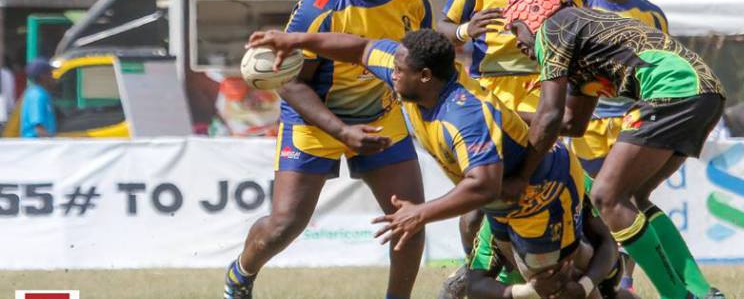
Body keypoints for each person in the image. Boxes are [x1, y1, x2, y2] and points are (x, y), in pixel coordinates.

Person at [247, 29, 600, 299]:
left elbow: (484, 185)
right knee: (519, 284)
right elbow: (359, 48)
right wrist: (294, 39)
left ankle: (602, 274)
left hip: (541, 192)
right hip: (503, 198)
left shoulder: (463, 115)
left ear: (426, 76)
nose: (391, 75)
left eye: (400, 71)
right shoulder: (413, 74)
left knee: (558, 286)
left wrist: (419, 213)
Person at [224, 0, 433, 299]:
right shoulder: (318, 8)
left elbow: (422, 66)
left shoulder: (414, 1)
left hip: (379, 117)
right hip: (314, 119)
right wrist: (341, 131)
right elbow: (290, 85)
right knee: (285, 224)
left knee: (410, 221)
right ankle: (241, 272)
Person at [505, 0, 726, 299]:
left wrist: (521, 176)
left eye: (516, 30)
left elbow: (550, 116)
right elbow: (572, 122)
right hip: (703, 92)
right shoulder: (580, 32)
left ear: (530, 17)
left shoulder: (552, 29)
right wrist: (511, 116)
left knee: (607, 195)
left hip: (674, 89)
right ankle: (703, 293)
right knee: (633, 198)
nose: (518, 43)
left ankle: (679, 296)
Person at [437, 0, 586, 293]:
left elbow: (581, 38)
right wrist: (466, 29)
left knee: (542, 187)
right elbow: (442, 29)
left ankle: (547, 274)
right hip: (489, 93)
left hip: (544, 93)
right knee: (479, 194)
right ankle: (475, 274)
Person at [571, 0, 670, 292]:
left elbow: (660, 69)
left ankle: (627, 280)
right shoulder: (580, 6)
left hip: (631, 118)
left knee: (625, 198)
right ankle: (594, 274)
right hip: (586, 120)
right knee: (587, 202)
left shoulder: (652, 15)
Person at [467, 174, 638, 299]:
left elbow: (607, 242)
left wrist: (583, 286)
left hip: (588, 272)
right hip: (522, 286)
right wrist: (529, 292)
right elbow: (475, 285)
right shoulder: (496, 222)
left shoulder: (570, 178)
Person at [20, 58, 57, 138]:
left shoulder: (42, 93)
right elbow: (39, 129)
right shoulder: (36, 95)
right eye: (50, 73)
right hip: (35, 146)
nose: (53, 77)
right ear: (42, 77)